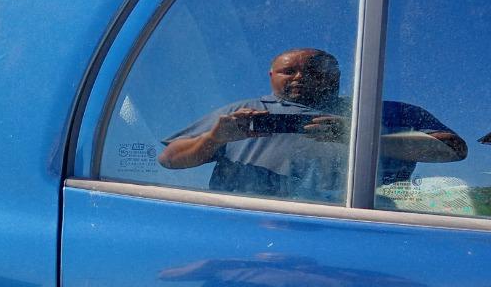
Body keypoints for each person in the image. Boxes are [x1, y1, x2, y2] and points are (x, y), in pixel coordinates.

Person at [159, 48, 466, 203]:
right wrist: (214, 138)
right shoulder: (242, 112)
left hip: (357, 230)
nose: (300, 77)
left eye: (314, 71)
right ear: (271, 76)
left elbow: (454, 149)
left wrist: (359, 136)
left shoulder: (381, 112)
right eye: (288, 71)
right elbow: (170, 159)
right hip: (250, 228)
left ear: (337, 77)